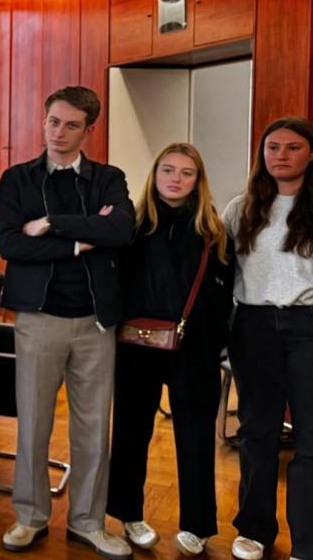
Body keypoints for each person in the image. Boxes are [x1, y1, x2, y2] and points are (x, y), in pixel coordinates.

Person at [0, 86, 135, 559]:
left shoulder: (109, 178)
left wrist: (51, 223)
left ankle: (88, 522)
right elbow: (12, 244)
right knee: (33, 423)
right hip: (38, 319)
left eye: (72, 125)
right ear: (44, 121)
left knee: (93, 427)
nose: (59, 132)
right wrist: (80, 240)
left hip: (96, 321)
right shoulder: (17, 179)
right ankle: (30, 516)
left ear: (89, 130)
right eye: (53, 121)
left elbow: (120, 229)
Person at [107, 143, 234, 556]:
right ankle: (128, 515)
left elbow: (224, 293)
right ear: (155, 174)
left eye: (186, 172)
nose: (175, 179)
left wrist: (212, 342)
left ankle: (197, 526)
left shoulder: (213, 231)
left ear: (198, 181)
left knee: (196, 439)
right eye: (167, 170)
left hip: (194, 351)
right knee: (130, 434)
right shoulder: (132, 227)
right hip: (137, 346)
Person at [222, 117, 313, 560]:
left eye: (293, 147)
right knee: (257, 432)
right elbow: (222, 274)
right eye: (273, 147)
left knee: (310, 439)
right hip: (254, 326)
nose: (281, 155)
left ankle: (306, 541)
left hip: (308, 327)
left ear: (310, 154)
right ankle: (254, 530)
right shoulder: (241, 208)